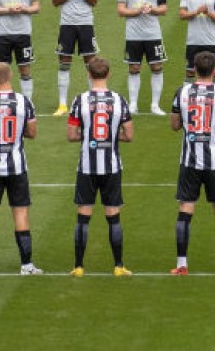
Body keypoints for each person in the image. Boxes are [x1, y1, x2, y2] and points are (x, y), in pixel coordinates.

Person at [170, 51, 215, 275]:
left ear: (193, 69)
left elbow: (174, 125)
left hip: (189, 161)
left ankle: (182, 264)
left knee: (185, 209)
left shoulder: (182, 93)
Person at [66, 58, 134, 277]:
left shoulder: (80, 100)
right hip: (112, 166)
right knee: (113, 214)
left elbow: (71, 135)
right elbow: (129, 135)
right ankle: (118, 266)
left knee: (83, 215)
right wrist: (112, 137)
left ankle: (78, 266)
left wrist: (88, 137)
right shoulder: (119, 100)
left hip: (87, 166)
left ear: (88, 74)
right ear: (109, 74)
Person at [0, 63, 41, 275]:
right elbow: (32, 132)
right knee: (20, 214)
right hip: (17, 166)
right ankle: (26, 265)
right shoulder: (23, 101)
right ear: (10, 75)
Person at [51, 0, 100, 115]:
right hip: (67, 24)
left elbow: (93, 1)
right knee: (64, 63)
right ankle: (62, 105)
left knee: (91, 64)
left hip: (86, 23)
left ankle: (94, 101)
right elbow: (55, 1)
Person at [117, 0, 169, 115]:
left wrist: (152, 9)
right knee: (133, 67)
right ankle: (133, 104)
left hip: (153, 34)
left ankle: (155, 105)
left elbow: (163, 9)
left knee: (156, 67)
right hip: (133, 35)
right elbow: (120, 10)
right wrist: (137, 10)